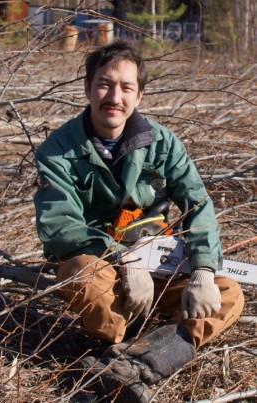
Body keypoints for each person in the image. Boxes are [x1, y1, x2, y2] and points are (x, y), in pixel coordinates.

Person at [33, 40, 244, 402]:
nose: (114, 96)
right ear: (87, 88)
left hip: (158, 262)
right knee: (80, 275)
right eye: (104, 84)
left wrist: (203, 270)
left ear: (139, 95)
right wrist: (123, 258)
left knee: (228, 295)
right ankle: (130, 340)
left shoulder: (163, 143)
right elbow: (59, 226)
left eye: (126, 87)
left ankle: (133, 365)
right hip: (101, 265)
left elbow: (198, 205)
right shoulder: (58, 149)